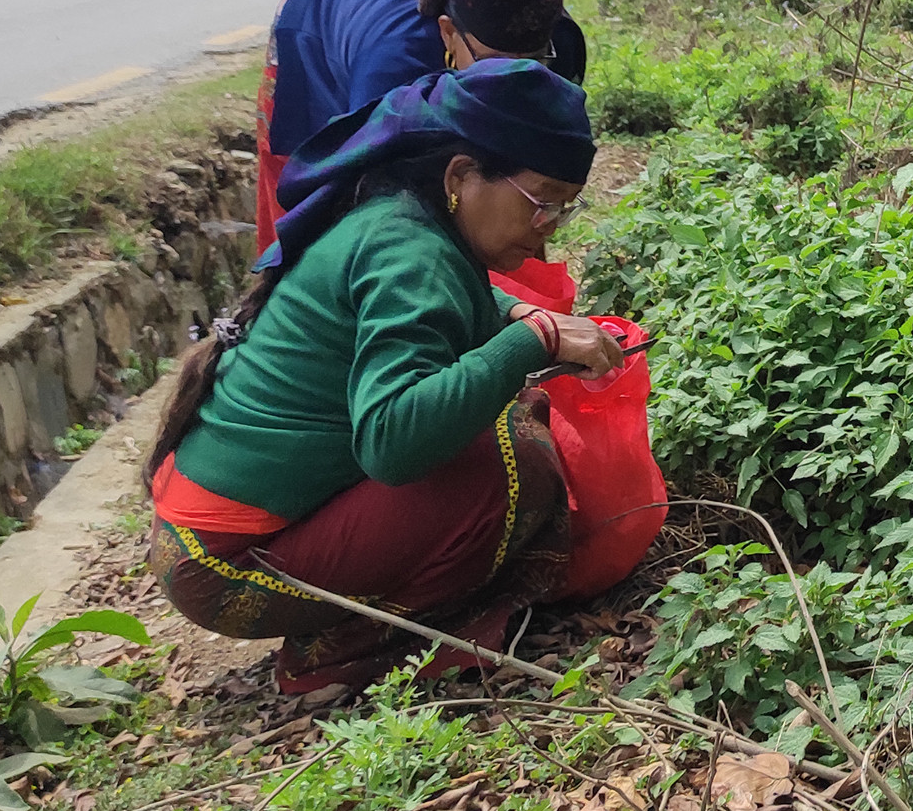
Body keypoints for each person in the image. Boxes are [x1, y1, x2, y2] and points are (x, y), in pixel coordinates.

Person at [146, 59, 625, 694]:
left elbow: (452, 306)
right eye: (540, 205)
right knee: (516, 465)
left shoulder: (402, 213)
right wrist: (532, 338)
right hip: (225, 567)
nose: (545, 239)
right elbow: (393, 443)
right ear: (460, 175)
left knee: (511, 420)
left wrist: (522, 316)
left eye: (564, 211)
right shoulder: (410, 252)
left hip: (199, 536)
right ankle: (342, 651)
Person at [254, 0, 587, 252]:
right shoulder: (395, 63)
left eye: (530, 60)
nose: (511, 76)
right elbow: (362, 183)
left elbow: (533, 167)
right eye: (494, 60)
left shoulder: (558, 44)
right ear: (448, 32)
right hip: (315, 30)